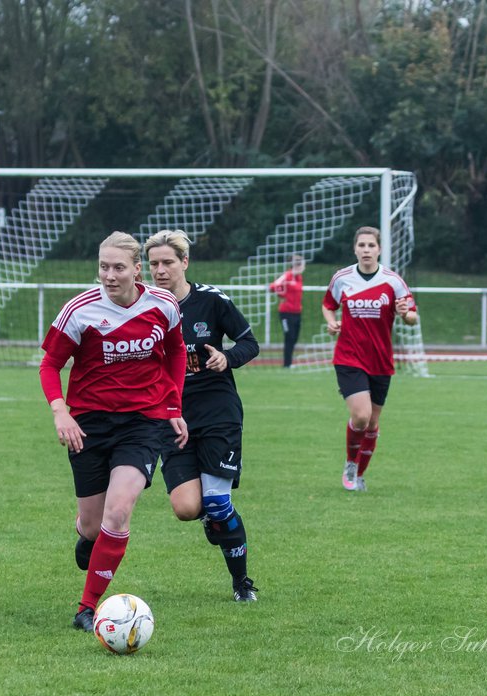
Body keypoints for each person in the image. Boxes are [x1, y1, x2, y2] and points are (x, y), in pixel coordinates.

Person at [39, 231, 188, 631]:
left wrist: (173, 405)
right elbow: (50, 366)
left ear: (137, 269)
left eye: (118, 267)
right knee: (92, 525)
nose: (109, 275)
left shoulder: (164, 304)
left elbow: (175, 350)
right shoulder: (80, 310)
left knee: (119, 511)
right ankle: (88, 536)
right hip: (88, 426)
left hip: (143, 423)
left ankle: (87, 608)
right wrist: (60, 413)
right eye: (103, 267)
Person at [144, 230, 261, 602]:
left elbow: (249, 343)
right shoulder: (143, 307)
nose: (160, 270)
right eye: (154, 264)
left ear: (184, 263)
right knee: (186, 508)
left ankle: (242, 583)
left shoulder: (211, 301)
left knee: (216, 503)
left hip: (217, 412)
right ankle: (216, 521)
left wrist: (227, 358)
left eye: (168, 262)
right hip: (171, 416)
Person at [321, 226, 417, 492]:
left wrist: (405, 312)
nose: (366, 250)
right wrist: (331, 323)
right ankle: (351, 464)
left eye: (371, 246)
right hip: (349, 356)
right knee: (361, 416)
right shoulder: (342, 278)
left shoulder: (392, 281)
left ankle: (359, 474)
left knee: (373, 423)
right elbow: (328, 304)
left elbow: (412, 317)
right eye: (361, 245)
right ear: (355, 249)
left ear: (379, 249)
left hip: (381, 360)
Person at [269, 253, 306, 368]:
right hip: (286, 313)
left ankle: (289, 362)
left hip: (297, 313)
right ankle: (287, 364)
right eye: (298, 263)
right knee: (289, 337)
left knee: (294, 337)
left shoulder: (299, 277)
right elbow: (272, 287)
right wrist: (281, 293)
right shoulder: (287, 275)